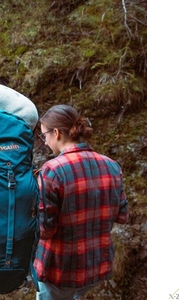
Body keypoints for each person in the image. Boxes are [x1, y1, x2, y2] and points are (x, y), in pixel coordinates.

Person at [33, 104, 129, 300]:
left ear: (57, 133)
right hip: (96, 265)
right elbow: (122, 215)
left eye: (44, 136)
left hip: (60, 269)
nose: (44, 142)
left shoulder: (52, 170)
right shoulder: (111, 165)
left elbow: (45, 230)